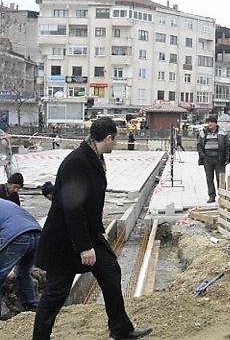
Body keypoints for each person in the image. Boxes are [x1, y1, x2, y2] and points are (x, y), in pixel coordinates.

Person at [33, 117, 151, 340]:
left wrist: (97, 230)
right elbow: (73, 209)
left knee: (111, 272)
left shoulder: (93, 157)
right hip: (65, 240)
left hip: (89, 233)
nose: (116, 144)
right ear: (108, 138)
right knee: (55, 294)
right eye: (115, 140)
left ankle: (121, 330)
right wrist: (84, 247)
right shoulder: (78, 161)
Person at [0, 200, 41, 319]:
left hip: (18, 236)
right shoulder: (6, 203)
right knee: (23, 273)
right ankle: (31, 306)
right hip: (37, 234)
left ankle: (2, 313)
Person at [196, 115, 230, 203]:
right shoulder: (203, 132)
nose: (209, 124)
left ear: (215, 123)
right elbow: (199, 145)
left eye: (211, 122)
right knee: (209, 178)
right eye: (208, 122)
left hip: (219, 158)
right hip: (207, 159)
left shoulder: (223, 132)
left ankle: (222, 196)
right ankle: (211, 196)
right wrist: (202, 156)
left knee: (220, 178)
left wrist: (227, 158)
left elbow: (227, 146)